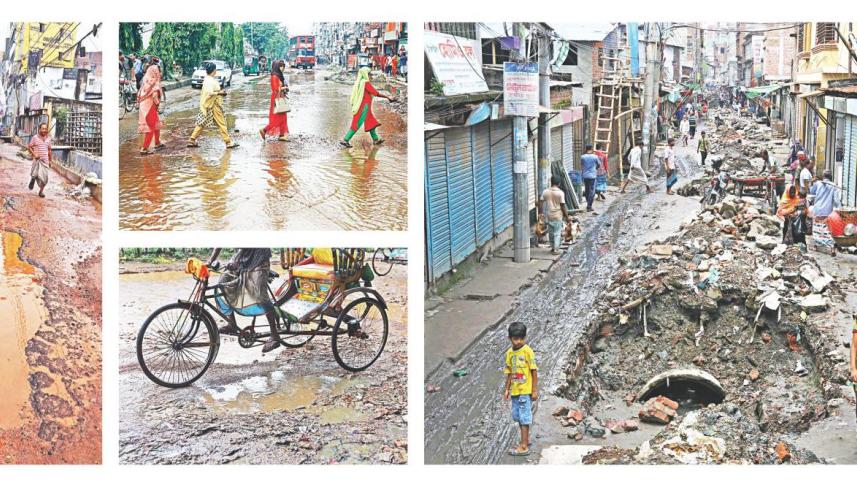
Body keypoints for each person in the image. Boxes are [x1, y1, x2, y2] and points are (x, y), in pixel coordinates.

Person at [207, 248, 282, 353]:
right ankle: (232, 324)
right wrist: (209, 262)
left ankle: (275, 336)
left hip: (258, 258)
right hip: (243, 257)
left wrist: (236, 261)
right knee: (223, 281)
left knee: (260, 295)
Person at [503, 321, 538, 457]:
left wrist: (534, 390)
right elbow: (510, 372)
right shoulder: (509, 354)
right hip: (515, 391)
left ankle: (523, 446)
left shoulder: (528, 351)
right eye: (516, 339)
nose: (518, 342)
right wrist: (507, 388)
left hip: (525, 391)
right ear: (510, 338)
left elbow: (534, 371)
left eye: (521, 339)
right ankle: (525, 440)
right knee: (517, 416)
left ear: (525, 337)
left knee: (524, 417)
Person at [340, 67, 395, 148]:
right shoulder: (365, 83)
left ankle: (375, 139)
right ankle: (346, 140)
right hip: (363, 107)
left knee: (370, 122)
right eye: (369, 74)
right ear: (365, 74)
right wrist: (387, 97)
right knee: (357, 123)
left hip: (362, 106)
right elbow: (375, 93)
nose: (371, 76)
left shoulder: (359, 82)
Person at [187, 62, 239, 149]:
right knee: (221, 123)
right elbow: (209, 93)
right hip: (213, 106)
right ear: (214, 70)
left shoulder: (208, 79)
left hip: (207, 105)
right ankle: (228, 142)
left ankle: (192, 140)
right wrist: (220, 92)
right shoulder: (209, 81)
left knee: (201, 123)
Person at [809, 170, 842, 256]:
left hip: (817, 210)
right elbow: (836, 200)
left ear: (823, 176)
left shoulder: (817, 184)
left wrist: (812, 183)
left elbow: (811, 192)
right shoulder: (833, 186)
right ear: (831, 177)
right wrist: (840, 208)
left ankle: (816, 246)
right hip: (827, 211)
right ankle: (832, 249)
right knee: (828, 230)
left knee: (817, 229)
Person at [137, 62, 164, 155]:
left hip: (143, 105)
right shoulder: (155, 82)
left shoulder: (146, 80)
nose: (160, 74)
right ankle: (144, 149)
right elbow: (154, 96)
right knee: (151, 127)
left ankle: (157, 143)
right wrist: (158, 103)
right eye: (159, 72)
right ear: (156, 72)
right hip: (150, 106)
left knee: (156, 124)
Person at [259, 59, 290, 142]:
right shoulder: (274, 76)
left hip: (281, 97)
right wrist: (284, 88)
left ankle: (282, 135)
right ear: (277, 67)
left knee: (283, 117)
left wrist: (285, 89)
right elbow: (275, 89)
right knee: (276, 118)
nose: (283, 68)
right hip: (276, 98)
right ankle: (264, 130)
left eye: (283, 66)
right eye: (281, 66)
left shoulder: (280, 76)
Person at [539, 175, 570, 254]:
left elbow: (540, 203)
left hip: (549, 215)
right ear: (559, 183)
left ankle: (553, 247)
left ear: (551, 182)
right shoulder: (560, 193)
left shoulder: (545, 192)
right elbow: (563, 206)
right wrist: (567, 217)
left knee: (551, 232)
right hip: (558, 215)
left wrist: (540, 214)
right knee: (557, 232)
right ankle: (556, 249)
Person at [27, 122, 52, 198]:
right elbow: (29, 147)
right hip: (37, 160)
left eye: (45, 129)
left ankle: (41, 192)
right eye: (43, 128)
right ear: (39, 129)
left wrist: (50, 160)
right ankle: (33, 179)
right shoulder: (35, 137)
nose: (44, 130)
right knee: (35, 173)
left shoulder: (48, 138)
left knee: (45, 178)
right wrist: (35, 154)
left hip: (45, 161)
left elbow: (49, 150)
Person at [581, 145, 599, 213]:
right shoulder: (595, 157)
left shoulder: (583, 157)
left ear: (586, 149)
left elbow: (582, 165)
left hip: (585, 176)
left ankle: (588, 204)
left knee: (587, 190)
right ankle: (589, 206)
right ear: (592, 149)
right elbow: (598, 164)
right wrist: (595, 168)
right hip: (592, 176)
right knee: (592, 191)